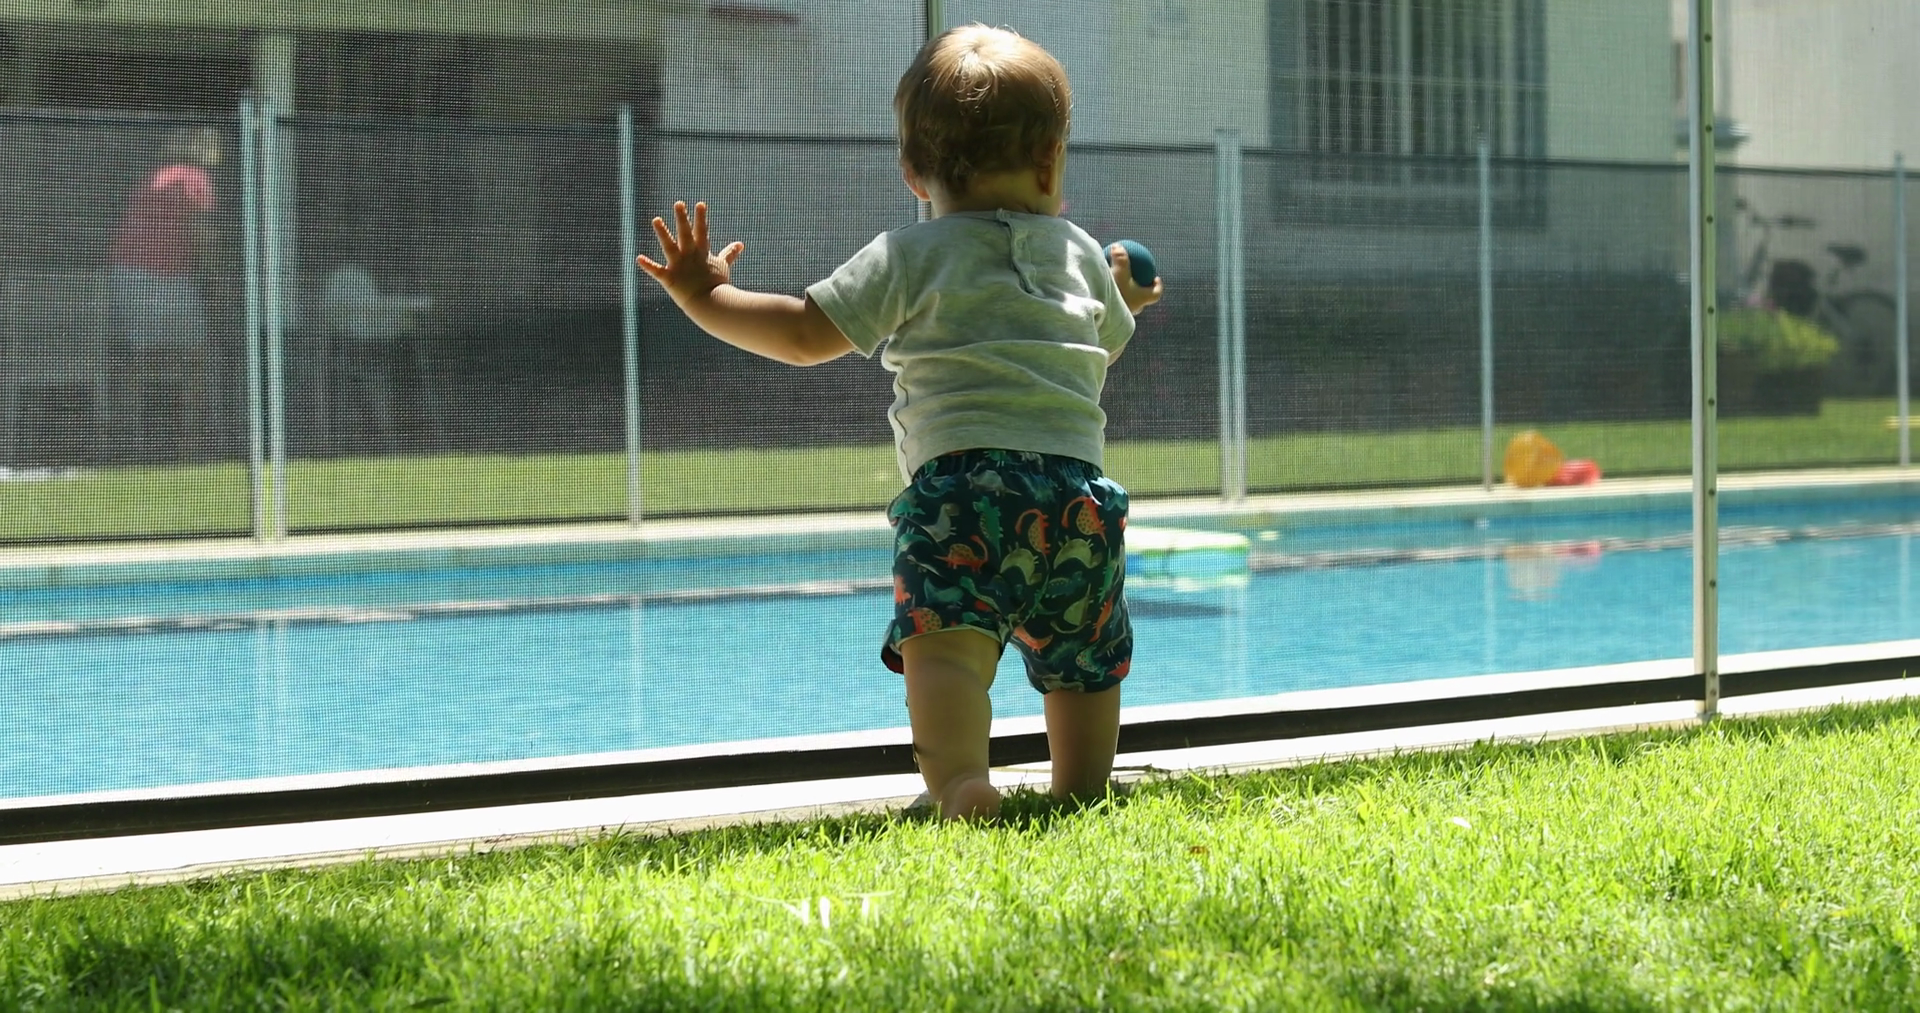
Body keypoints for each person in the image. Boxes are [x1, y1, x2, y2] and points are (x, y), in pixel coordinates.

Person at [638, 25, 1162, 821]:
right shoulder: (1082, 253)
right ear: (1051, 162)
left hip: (964, 495)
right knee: (1085, 662)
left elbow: (803, 335)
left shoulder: (910, 255)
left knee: (946, 654)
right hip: (1079, 501)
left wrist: (706, 296)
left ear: (913, 171)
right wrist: (1129, 298)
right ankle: (1082, 789)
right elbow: (1093, 351)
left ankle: (962, 783)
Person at [108, 125, 222, 457]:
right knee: (196, 360)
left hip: (125, 280)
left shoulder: (155, 176)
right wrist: (218, 280)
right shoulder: (195, 178)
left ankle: (129, 441)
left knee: (139, 358)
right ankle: (192, 442)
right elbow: (204, 236)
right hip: (163, 282)